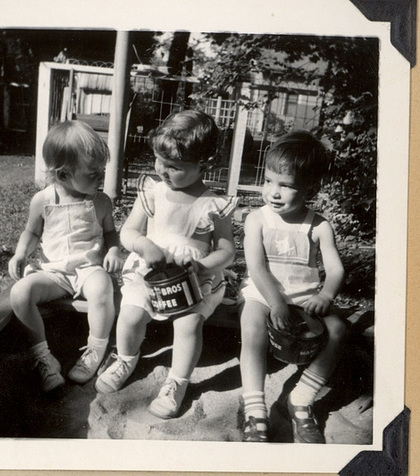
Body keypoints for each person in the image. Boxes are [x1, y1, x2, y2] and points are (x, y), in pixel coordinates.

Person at [95, 110, 238, 419]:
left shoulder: (213, 205)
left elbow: (227, 251)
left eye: (174, 166)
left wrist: (203, 266)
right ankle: (126, 358)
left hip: (195, 280)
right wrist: (144, 245)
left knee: (188, 323)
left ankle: (177, 381)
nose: (163, 170)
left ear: (205, 164)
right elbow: (128, 232)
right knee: (131, 314)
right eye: (160, 161)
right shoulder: (152, 192)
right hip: (150, 274)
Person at [238, 131, 347, 443]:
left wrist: (326, 294)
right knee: (251, 323)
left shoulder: (319, 225)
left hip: (305, 295)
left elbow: (336, 268)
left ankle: (302, 397)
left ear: (310, 188)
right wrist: (275, 302)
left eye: (285, 185)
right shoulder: (257, 220)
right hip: (264, 292)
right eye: (269, 180)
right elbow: (256, 267)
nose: (274, 192)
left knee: (338, 329)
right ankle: (255, 408)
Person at [8, 120, 124, 393]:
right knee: (20, 294)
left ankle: (95, 348)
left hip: (88, 268)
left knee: (101, 287)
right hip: (55, 272)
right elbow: (31, 232)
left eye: (102, 171)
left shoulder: (101, 201)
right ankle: (43, 356)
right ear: (62, 174)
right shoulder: (43, 200)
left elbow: (110, 234)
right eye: (92, 173)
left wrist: (115, 249)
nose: (100, 178)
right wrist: (21, 253)